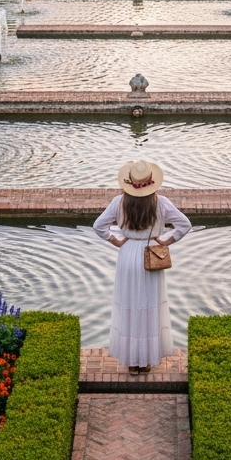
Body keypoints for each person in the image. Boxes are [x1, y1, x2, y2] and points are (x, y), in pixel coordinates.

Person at [93, 160, 192, 374]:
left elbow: (98, 226)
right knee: (148, 307)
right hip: (151, 255)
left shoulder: (119, 202)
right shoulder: (161, 202)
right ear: (151, 183)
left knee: (129, 305)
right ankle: (145, 360)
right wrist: (165, 240)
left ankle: (132, 362)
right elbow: (185, 225)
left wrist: (116, 241)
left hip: (127, 255)